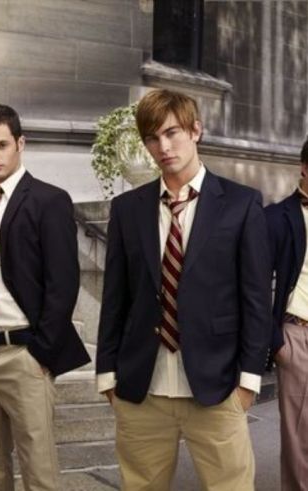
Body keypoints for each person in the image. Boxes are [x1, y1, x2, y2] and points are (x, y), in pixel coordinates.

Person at [96, 89, 271, 490]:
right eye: (153, 138)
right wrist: (108, 376)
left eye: (172, 133)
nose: (164, 146)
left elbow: (256, 300)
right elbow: (115, 299)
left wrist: (247, 382)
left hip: (217, 386)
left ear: (196, 131)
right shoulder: (128, 210)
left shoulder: (241, 205)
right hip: (143, 388)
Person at [0, 104, 89, 491]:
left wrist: (41, 351)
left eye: (1, 145)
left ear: (20, 143)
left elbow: (63, 283)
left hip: (24, 354)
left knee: (39, 468)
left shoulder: (49, 200)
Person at [265, 136, 308, 491]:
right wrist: (275, 341)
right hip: (298, 337)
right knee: (298, 434)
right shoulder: (276, 218)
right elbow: (254, 284)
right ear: (304, 168)